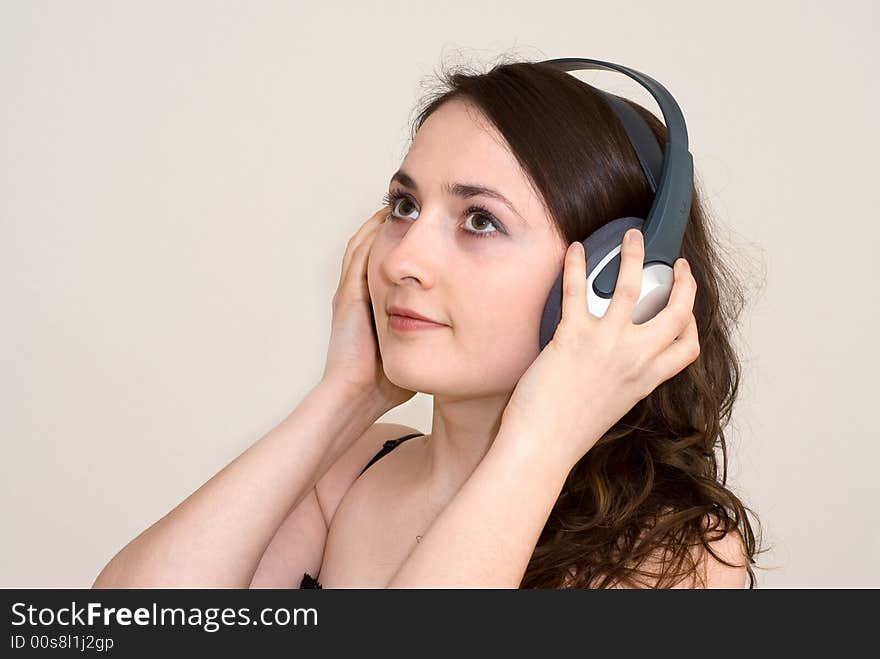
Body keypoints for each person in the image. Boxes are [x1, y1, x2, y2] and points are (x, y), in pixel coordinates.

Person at [92, 57, 764, 590]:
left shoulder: (676, 553)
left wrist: (542, 440)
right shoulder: (355, 472)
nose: (404, 259)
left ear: (613, 282)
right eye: (404, 205)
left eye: (480, 220)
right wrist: (347, 397)